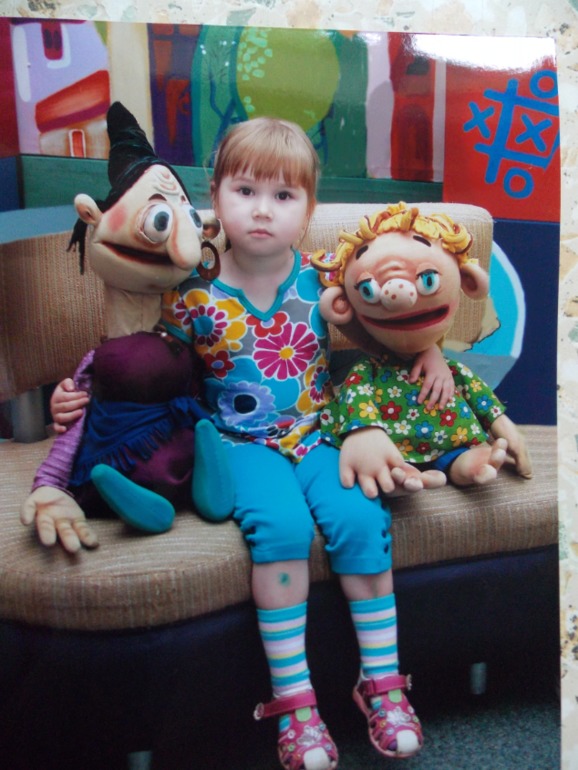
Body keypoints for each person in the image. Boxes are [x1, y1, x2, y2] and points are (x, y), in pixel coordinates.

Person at [51, 117, 456, 770]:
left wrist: (430, 351)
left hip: (322, 437)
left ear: (309, 210)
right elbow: (144, 367)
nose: (263, 210)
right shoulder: (191, 293)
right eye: (245, 191)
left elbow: (390, 324)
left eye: (283, 196)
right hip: (238, 445)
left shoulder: (324, 280)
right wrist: (78, 391)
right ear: (215, 196)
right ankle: (294, 703)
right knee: (282, 529)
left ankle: (381, 682)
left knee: (361, 518)